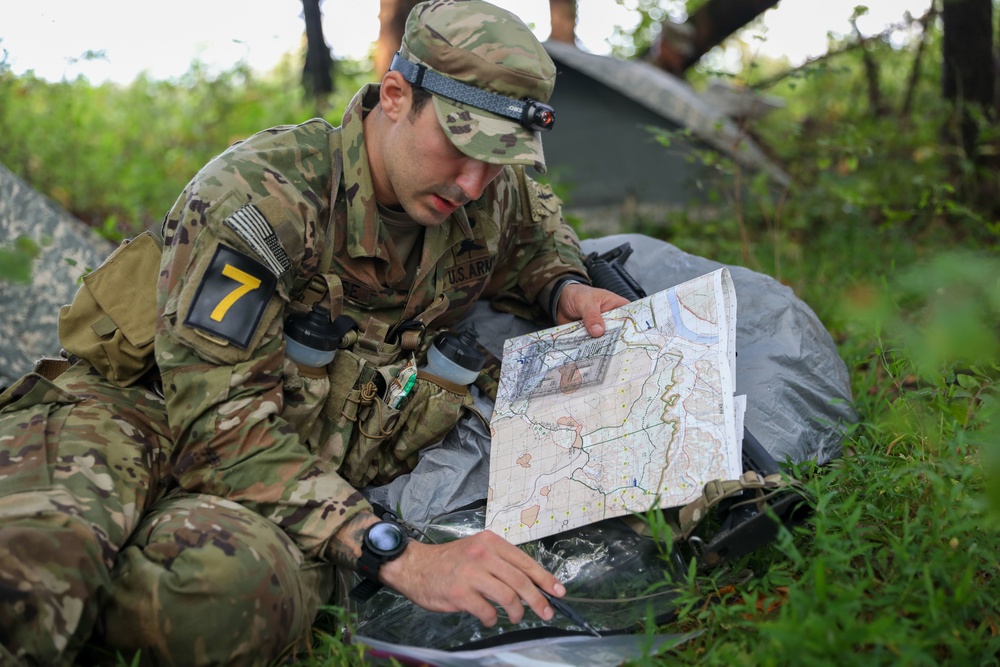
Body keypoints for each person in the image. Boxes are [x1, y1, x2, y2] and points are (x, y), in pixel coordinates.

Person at [0, 1, 628, 664]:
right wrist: (397, 554)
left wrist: (564, 285)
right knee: (37, 567)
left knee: (236, 595)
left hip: (286, 458)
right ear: (395, 95)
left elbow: (533, 232)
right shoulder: (264, 196)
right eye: (461, 145)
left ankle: (114, 591)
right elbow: (216, 425)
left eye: (498, 159)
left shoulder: (485, 194)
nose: (474, 183)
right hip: (134, 410)